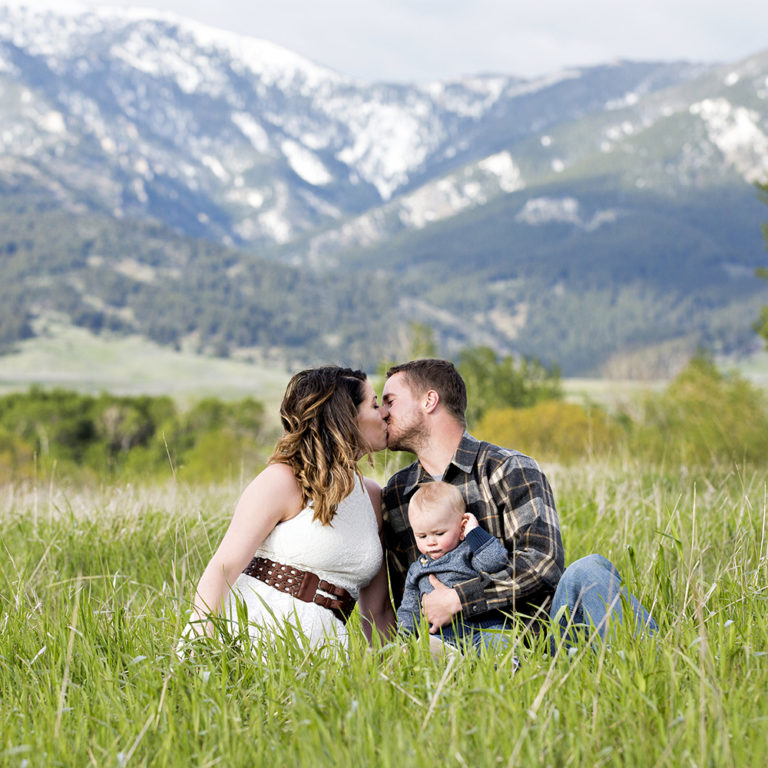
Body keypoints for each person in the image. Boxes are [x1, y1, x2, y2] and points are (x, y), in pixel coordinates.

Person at [380, 358, 657, 651]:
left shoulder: (508, 469)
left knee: (588, 571)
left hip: (537, 641)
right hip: (458, 650)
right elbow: (407, 596)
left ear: (429, 401)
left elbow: (542, 562)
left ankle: (653, 670)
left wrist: (461, 598)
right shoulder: (399, 493)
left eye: (390, 401)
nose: (383, 413)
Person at [179, 366, 395, 653]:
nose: (384, 413)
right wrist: (199, 646)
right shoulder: (285, 479)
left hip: (325, 654)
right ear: (346, 416)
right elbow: (224, 567)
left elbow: (377, 611)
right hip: (251, 636)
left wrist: (393, 668)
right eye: (374, 404)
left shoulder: (372, 496)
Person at [396, 481, 512, 654]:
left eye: (439, 533)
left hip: (484, 627)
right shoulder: (417, 569)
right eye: (422, 536)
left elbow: (495, 562)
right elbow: (409, 608)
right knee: (427, 650)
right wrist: (403, 640)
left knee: (497, 642)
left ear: (461, 526)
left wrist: (474, 532)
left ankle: (508, 665)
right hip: (443, 635)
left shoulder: (468, 552)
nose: (431, 542)